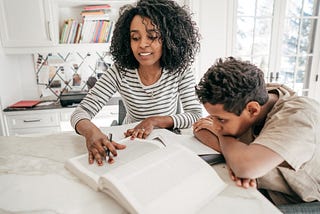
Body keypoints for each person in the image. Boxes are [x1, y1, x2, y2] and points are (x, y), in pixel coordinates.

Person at [70, 0, 202, 166]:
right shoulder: (120, 71)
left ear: (170, 39)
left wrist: (154, 121)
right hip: (130, 143)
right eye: (135, 37)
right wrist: (91, 132)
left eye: (152, 36)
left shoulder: (180, 71)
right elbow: (80, 113)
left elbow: (195, 114)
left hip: (166, 142)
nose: (142, 45)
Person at [193, 57, 320, 206]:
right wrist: (236, 159)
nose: (215, 125)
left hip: (303, 201)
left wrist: (240, 161)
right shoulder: (243, 99)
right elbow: (200, 129)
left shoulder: (300, 116)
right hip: (266, 189)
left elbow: (246, 168)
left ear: (253, 109)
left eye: (220, 120)